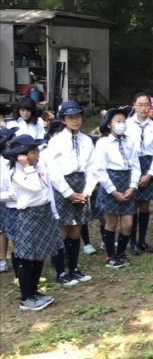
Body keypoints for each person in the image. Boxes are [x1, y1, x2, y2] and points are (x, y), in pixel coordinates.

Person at [1, 135, 63, 311]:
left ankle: (34, 292)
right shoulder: (16, 173)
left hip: (43, 213)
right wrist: (27, 167)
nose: (38, 155)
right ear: (22, 156)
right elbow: (35, 187)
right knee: (27, 256)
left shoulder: (36, 167)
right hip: (29, 215)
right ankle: (26, 298)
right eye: (33, 152)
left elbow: (46, 189)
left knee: (40, 255)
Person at [45, 101, 97, 286]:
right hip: (63, 187)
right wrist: (68, 192)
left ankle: (74, 268)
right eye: (71, 117)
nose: (75, 121)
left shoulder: (87, 140)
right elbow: (52, 170)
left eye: (78, 116)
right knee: (62, 231)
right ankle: (60, 272)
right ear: (64, 120)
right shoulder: (56, 141)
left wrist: (87, 191)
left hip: (82, 185)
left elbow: (93, 168)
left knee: (77, 229)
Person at [95, 108, 141, 268]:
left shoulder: (130, 141)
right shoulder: (103, 143)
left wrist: (133, 186)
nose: (121, 124)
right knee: (112, 222)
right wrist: (113, 192)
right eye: (118, 121)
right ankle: (110, 256)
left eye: (123, 121)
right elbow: (100, 170)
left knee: (128, 224)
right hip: (111, 183)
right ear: (109, 125)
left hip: (127, 183)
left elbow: (136, 165)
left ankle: (121, 253)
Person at [126, 92, 153, 255]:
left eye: (146, 104)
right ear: (134, 105)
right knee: (133, 204)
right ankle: (132, 242)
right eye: (140, 104)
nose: (143, 108)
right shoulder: (126, 125)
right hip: (131, 164)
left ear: (151, 106)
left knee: (145, 205)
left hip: (148, 165)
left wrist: (150, 174)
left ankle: (142, 240)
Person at [0, 127, 19, 273]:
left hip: (11, 200)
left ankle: (16, 261)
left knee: (13, 233)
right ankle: (4, 260)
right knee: (4, 231)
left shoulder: (14, 159)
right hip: (5, 199)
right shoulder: (3, 162)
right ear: (7, 143)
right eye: (11, 138)